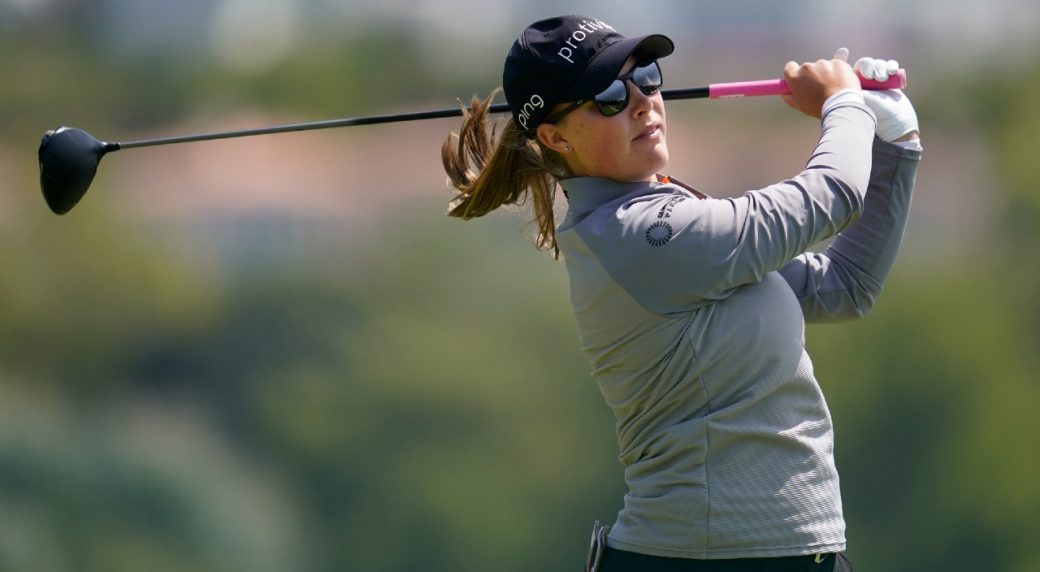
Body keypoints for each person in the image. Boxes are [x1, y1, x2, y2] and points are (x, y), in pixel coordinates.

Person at [442, 14, 921, 572]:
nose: (642, 102)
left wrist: (896, 145)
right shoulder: (639, 235)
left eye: (646, 77)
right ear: (555, 137)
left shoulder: (667, 223)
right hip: (705, 558)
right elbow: (831, 194)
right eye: (609, 97)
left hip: (772, 554)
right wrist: (844, 104)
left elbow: (844, 287)